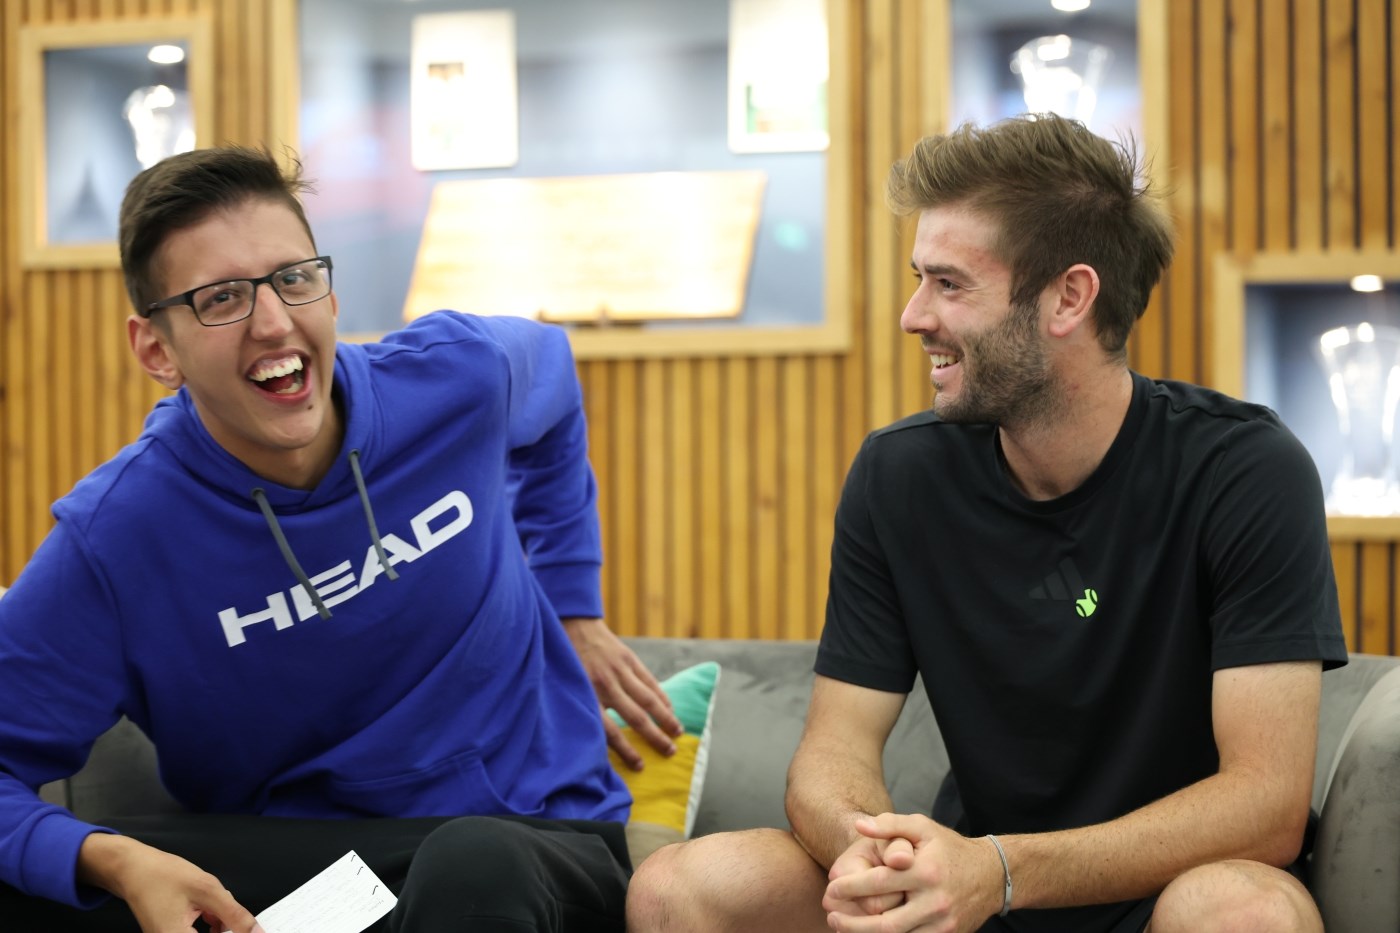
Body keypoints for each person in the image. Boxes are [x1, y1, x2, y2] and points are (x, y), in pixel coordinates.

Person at [626, 113, 1348, 933]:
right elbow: (836, 750)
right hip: (961, 892)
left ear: (1068, 297)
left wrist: (1002, 869)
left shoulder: (1244, 470)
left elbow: (1266, 803)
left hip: (1162, 891)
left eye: (949, 283)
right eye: (917, 278)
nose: (912, 315)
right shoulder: (899, 475)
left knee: (1246, 912)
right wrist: (877, 852)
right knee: (679, 886)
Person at [0, 145, 684, 933]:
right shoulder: (116, 538)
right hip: (307, 871)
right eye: (222, 298)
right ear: (157, 349)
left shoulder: (460, 375)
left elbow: (555, 382)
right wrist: (111, 858)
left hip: (534, 840)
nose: (274, 320)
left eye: (293, 278)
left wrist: (573, 605)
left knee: (474, 861)